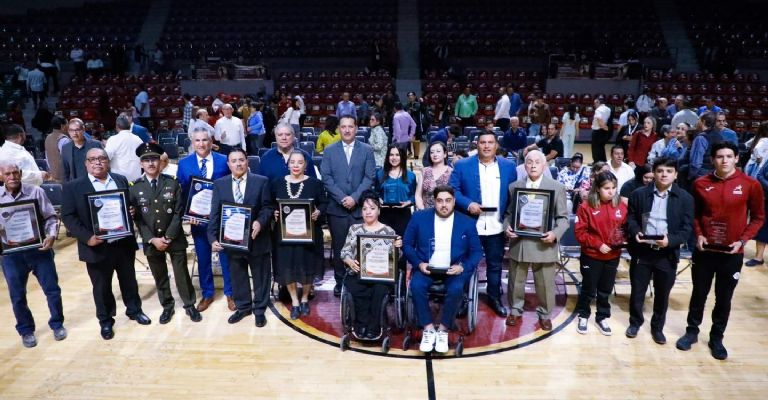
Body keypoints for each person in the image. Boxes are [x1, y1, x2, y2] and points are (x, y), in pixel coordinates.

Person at [676, 142, 764, 360]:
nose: (724, 160)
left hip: (732, 253)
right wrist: (699, 234)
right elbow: (694, 214)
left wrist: (743, 241)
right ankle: (692, 332)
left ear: (736, 159)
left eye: (728, 156)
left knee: (724, 298)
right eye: (719, 156)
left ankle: (717, 337)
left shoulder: (750, 185)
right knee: (699, 294)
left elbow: (759, 217)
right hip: (705, 251)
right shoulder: (700, 183)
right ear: (713, 159)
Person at [61, 148, 151, 340]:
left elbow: (128, 206)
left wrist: (131, 212)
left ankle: (134, 310)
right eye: (92, 159)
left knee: (129, 280)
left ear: (107, 161)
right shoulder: (73, 186)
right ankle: (106, 321)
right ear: (86, 163)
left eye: (101, 158)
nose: (97, 162)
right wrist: (87, 237)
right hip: (96, 246)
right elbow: (68, 217)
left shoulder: (120, 180)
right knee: (101, 287)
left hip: (123, 243)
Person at [404, 185, 482, 353]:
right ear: (434, 202)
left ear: (454, 201)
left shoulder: (467, 222)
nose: (444, 205)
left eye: (448, 201)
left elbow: (476, 252)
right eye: (440, 201)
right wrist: (418, 263)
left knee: (456, 289)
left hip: (453, 269)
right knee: (416, 286)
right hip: (427, 267)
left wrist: (462, 267)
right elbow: (407, 245)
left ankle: (443, 330)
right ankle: (428, 328)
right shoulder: (419, 218)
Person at [129, 143, 201, 324]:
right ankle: (167, 306)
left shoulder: (172, 183)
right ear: (141, 164)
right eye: (146, 160)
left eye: (154, 159)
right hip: (151, 240)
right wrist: (152, 239)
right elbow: (137, 218)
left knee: (181, 274)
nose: (151, 163)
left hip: (174, 238)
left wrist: (168, 237)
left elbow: (178, 212)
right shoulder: (135, 188)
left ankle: (189, 304)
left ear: (160, 161)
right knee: (159, 275)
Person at [625, 157, 693, 344]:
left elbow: (687, 230)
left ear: (676, 175)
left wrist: (670, 241)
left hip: (666, 253)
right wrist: (635, 231)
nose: (664, 174)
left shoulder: (685, 198)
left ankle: (657, 328)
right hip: (643, 250)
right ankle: (635, 322)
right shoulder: (638, 194)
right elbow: (630, 218)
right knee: (637, 291)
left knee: (662, 294)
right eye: (660, 170)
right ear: (654, 173)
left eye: (669, 171)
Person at [449, 131, 517, 317]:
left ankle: (494, 297)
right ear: (476, 145)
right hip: (471, 226)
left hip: (496, 226)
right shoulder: (462, 165)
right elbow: (452, 190)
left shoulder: (509, 167)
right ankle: (463, 299)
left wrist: (510, 221)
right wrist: (468, 204)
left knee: (494, 265)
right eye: (482, 143)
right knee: (466, 264)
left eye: (490, 143)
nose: (486, 146)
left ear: (496, 146)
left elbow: (514, 196)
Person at [0, 162, 66, 348]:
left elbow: (51, 217)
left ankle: (57, 324)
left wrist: (52, 235)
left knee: (52, 290)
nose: (12, 176)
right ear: (1, 176)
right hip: (11, 255)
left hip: (39, 250)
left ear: (20, 173)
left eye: (15, 173)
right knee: (17, 295)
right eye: (8, 174)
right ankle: (26, 330)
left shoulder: (36, 192)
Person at [503, 150, 569, 330]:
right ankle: (515, 311)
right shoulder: (514, 186)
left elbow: (563, 218)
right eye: (529, 162)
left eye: (537, 162)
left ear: (544, 165)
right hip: (520, 242)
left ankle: (545, 314)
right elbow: (509, 214)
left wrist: (555, 234)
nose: (533, 165)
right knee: (516, 281)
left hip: (544, 243)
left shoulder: (556, 187)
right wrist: (506, 227)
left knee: (545, 283)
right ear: (524, 165)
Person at [209, 148, 274, 327]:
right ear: (228, 164)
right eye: (234, 161)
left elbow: (268, 207)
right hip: (232, 241)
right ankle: (244, 307)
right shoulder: (220, 184)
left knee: (261, 276)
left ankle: (260, 309)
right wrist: (212, 237)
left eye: (241, 160)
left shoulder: (261, 181)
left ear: (247, 162)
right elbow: (215, 212)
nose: (238, 164)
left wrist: (260, 222)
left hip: (257, 239)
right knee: (238, 276)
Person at [177, 127, 234, 312]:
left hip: (222, 219)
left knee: (226, 257)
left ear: (211, 142)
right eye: (197, 141)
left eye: (205, 140)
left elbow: (231, 188)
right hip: (198, 220)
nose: (201, 144)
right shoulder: (184, 164)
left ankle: (230, 293)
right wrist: (188, 215)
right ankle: (207, 293)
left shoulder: (224, 160)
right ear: (192, 143)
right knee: (203, 258)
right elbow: (183, 192)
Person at [321, 115, 376, 296]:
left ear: (356, 128)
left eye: (350, 127)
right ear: (338, 129)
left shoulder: (367, 150)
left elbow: (369, 177)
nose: (346, 130)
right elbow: (327, 178)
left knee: (361, 247)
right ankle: (340, 281)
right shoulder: (329, 151)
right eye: (343, 127)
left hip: (360, 208)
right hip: (337, 209)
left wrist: (354, 197)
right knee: (339, 247)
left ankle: (360, 279)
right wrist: (343, 198)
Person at [271, 151, 328, 319]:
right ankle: (294, 301)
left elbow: (324, 203)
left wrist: (318, 212)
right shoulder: (277, 183)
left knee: (308, 266)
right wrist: (274, 212)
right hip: (284, 235)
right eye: (293, 162)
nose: (296, 165)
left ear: (305, 165)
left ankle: (304, 299)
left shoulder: (315, 184)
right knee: (287, 267)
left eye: (300, 162)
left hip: (309, 236)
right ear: (288, 165)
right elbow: (269, 203)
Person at [341, 191, 403, 339]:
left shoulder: (388, 231)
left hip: (380, 274)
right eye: (364, 209)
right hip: (359, 272)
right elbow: (345, 251)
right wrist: (349, 260)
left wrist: (397, 248)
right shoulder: (354, 229)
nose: (368, 212)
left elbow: (397, 258)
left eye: (372, 208)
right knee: (355, 286)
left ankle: (374, 327)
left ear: (379, 210)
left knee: (379, 290)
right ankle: (361, 325)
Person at [574, 171, 627, 335]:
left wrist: (624, 240)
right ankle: (583, 315)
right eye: (606, 188)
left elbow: (624, 229)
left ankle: (602, 317)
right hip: (592, 255)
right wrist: (597, 244)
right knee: (589, 288)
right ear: (597, 189)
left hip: (613, 256)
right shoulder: (585, 206)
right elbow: (580, 233)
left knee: (606, 289)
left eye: (613, 188)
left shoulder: (621, 206)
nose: (611, 192)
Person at [376, 145, 417, 244]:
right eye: (391, 155)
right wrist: (378, 199)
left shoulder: (411, 175)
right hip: (384, 214)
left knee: (403, 245)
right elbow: (375, 193)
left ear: (402, 156)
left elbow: (415, 196)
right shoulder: (380, 174)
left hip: (403, 214)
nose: (394, 158)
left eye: (397, 155)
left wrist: (409, 202)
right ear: (387, 157)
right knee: (384, 246)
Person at [61, 118, 103, 182]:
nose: (74, 133)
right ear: (68, 132)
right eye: (71, 130)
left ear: (83, 130)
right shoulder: (65, 148)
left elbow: (104, 165)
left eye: (77, 130)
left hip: (95, 183)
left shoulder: (96, 145)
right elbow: (65, 172)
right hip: (76, 186)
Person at [104, 115, 143, 182]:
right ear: (130, 126)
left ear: (117, 126)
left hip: (120, 180)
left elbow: (106, 157)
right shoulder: (138, 139)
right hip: (137, 178)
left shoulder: (113, 140)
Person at [687, 112, 723, 183]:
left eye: (698, 120)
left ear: (703, 121)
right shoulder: (719, 136)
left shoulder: (700, 138)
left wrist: (690, 177)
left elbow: (696, 162)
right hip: (715, 172)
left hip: (701, 174)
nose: (697, 122)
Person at [416, 141, 453, 209]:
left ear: (445, 154)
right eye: (432, 152)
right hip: (426, 211)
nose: (435, 154)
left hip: (445, 211)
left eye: (438, 151)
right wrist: (422, 210)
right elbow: (418, 195)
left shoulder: (451, 172)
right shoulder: (424, 171)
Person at [44, 115, 70, 182]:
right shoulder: (64, 140)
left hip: (53, 177)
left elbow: (47, 158)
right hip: (64, 178)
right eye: (68, 124)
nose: (69, 127)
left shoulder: (47, 138)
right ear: (62, 126)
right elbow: (68, 160)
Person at [591, 98, 612, 162]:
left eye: (595, 103)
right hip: (603, 131)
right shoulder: (608, 109)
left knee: (595, 148)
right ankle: (603, 161)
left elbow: (599, 120)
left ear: (598, 102)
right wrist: (606, 129)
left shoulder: (598, 110)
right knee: (601, 147)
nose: (594, 105)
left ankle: (596, 162)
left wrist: (603, 127)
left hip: (597, 131)